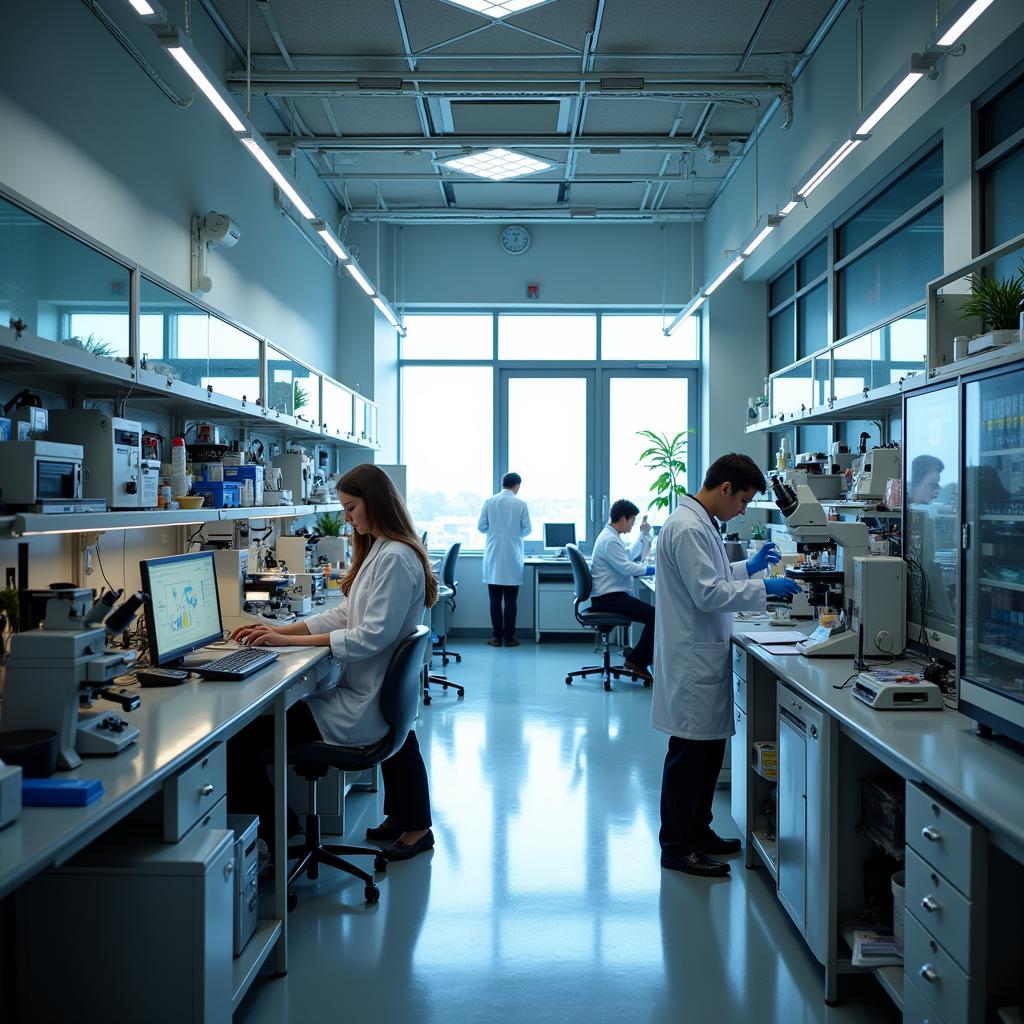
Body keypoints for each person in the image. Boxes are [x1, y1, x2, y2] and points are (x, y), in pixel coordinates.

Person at [226, 464, 438, 863]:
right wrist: (283, 632)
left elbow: (370, 635)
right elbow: (345, 615)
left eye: (351, 507)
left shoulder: (394, 557)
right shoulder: (382, 548)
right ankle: (407, 820)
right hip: (373, 698)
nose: (347, 518)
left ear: (374, 503)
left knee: (240, 741)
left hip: (362, 706)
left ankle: (282, 836)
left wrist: (285, 638)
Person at [651, 453, 801, 878]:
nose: (743, 510)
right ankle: (677, 847)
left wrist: (745, 568)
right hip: (691, 659)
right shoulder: (687, 527)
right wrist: (761, 585)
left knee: (706, 754)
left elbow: (712, 576)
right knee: (688, 759)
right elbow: (706, 594)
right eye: (744, 501)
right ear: (725, 489)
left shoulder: (699, 523)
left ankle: (699, 831)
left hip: (702, 653)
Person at [589, 499, 657, 681]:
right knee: (656, 616)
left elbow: (628, 557)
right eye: (632, 520)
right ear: (623, 518)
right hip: (609, 599)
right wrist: (655, 569)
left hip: (609, 596)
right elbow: (627, 567)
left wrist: (643, 535)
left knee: (653, 615)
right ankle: (636, 661)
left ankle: (636, 656)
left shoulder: (610, 537)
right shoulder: (610, 540)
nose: (633, 525)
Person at [477, 472, 531, 648]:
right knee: (510, 602)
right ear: (516, 485)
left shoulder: (490, 502)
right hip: (512, 557)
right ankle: (509, 638)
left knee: (494, 602)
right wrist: (513, 534)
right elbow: (527, 530)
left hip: (493, 557)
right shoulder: (521, 504)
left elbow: (481, 527)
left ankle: (495, 638)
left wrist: (496, 531)